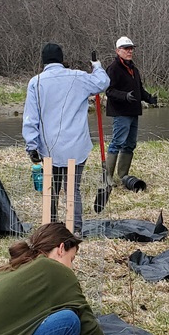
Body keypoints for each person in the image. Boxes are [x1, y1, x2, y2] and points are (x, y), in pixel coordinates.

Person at [23, 42, 110, 232]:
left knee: (51, 190)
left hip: (48, 148)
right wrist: (96, 66)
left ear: (43, 62)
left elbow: (31, 118)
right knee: (72, 189)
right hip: (76, 147)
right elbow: (103, 82)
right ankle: (76, 228)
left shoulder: (36, 83)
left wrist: (32, 146)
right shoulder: (78, 77)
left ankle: (50, 228)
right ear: (62, 60)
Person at [105, 35, 157, 184]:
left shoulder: (134, 69)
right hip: (120, 112)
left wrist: (149, 98)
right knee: (117, 142)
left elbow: (139, 90)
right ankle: (108, 176)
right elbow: (109, 91)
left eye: (131, 49)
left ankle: (123, 175)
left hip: (133, 112)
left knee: (130, 144)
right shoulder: (113, 68)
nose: (130, 51)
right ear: (118, 51)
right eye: (126, 49)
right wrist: (124, 96)